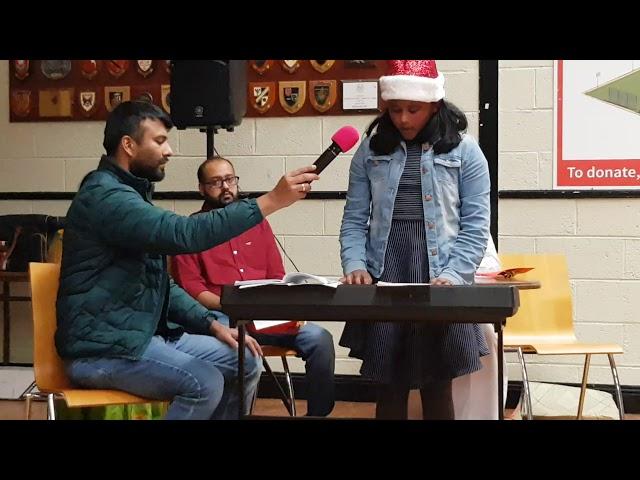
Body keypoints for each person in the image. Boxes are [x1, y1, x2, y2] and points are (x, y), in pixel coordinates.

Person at [55, 101, 319, 420]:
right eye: (159, 140)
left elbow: (161, 283)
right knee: (203, 383)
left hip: (142, 336)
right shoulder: (106, 198)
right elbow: (186, 234)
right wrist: (271, 200)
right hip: (102, 350)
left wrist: (211, 325)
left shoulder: (128, 195)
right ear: (128, 144)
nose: (169, 151)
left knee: (245, 361)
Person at [339, 60, 491, 419]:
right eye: (395, 110)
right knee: (388, 382)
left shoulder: (466, 151)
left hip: (440, 269)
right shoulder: (370, 151)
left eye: (413, 109)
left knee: (438, 381)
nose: (404, 119)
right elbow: (354, 217)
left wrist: (455, 275)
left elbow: (476, 224)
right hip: (387, 266)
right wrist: (356, 263)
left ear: (435, 105)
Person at [172, 157, 336, 416]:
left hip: (262, 316)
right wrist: (233, 305)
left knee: (319, 338)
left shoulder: (257, 222)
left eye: (229, 180)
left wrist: (274, 305)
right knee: (242, 355)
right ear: (202, 188)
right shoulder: (191, 229)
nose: (225, 187)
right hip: (222, 317)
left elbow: (276, 274)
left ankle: (317, 414)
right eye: (215, 182)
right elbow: (191, 288)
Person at [452, 235, 508, 420]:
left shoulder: (472, 216)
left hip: (465, 302)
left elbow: (491, 265)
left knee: (485, 335)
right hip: (419, 301)